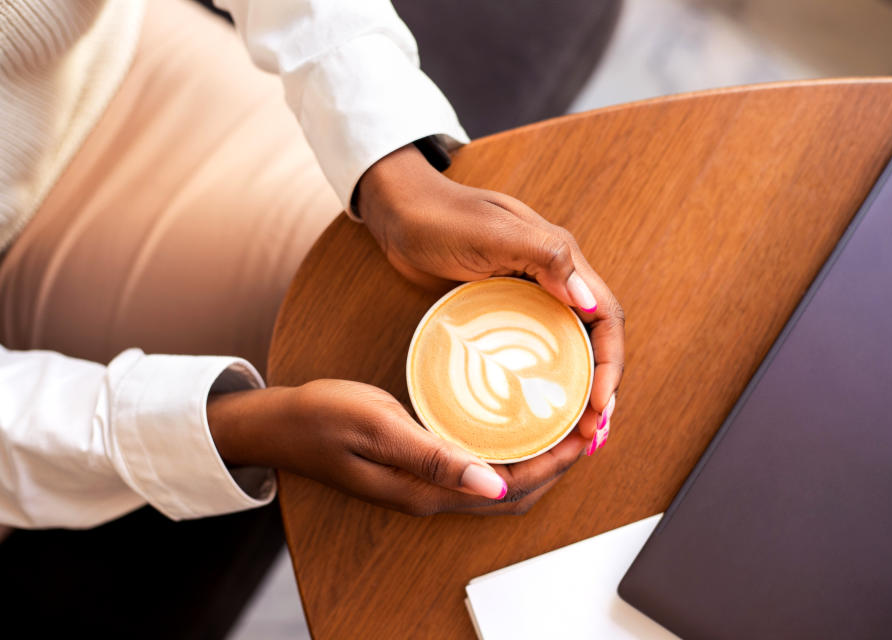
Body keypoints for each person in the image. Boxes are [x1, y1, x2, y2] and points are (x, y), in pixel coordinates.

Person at [0, 0, 624, 635]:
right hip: (18, 264)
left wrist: (393, 174)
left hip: (114, 63)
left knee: (419, 287)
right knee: (364, 364)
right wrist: (233, 430)